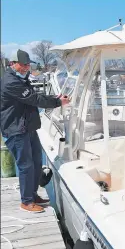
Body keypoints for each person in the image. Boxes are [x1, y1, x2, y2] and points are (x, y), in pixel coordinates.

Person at [1, 49, 70, 213]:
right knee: (25, 166)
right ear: (13, 63)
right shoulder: (10, 82)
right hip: (16, 129)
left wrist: (54, 98)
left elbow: (34, 95)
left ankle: (33, 195)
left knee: (37, 162)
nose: (26, 67)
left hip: (28, 128)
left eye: (27, 64)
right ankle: (26, 201)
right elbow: (34, 99)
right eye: (23, 64)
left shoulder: (21, 79)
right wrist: (57, 102)